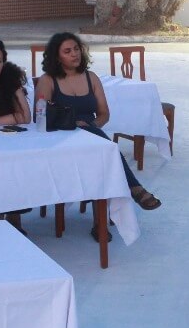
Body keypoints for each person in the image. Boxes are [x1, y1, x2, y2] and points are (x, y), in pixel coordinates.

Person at [34, 32, 162, 215]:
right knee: (108, 148)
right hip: (61, 135)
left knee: (103, 148)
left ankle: (102, 218)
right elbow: (40, 116)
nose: (74, 54)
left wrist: (91, 125)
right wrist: (72, 124)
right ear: (57, 56)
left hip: (91, 132)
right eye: (67, 51)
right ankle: (134, 189)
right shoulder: (48, 80)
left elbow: (104, 114)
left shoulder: (91, 77)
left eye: (76, 49)